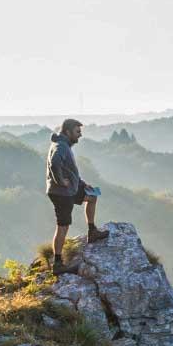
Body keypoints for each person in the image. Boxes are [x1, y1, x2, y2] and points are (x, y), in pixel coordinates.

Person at [47, 118, 108, 275]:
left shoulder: (64, 145)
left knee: (92, 197)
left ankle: (92, 231)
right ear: (68, 132)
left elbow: (69, 170)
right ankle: (58, 264)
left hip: (69, 189)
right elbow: (54, 164)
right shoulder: (61, 146)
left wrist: (81, 183)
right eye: (77, 132)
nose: (80, 135)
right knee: (63, 226)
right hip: (61, 193)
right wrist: (60, 181)